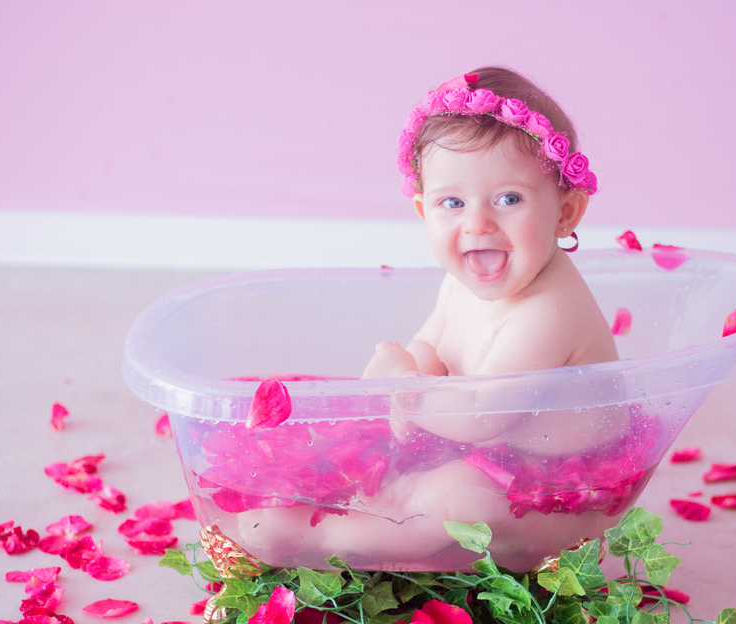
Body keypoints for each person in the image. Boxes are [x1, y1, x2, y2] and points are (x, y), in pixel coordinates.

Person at [219, 68, 645, 571]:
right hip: (491, 453)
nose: (477, 223)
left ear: (566, 212)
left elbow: (478, 417)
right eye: (452, 202)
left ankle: (328, 537)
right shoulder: (462, 282)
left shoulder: (550, 310)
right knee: (410, 477)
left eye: (509, 199)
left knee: (458, 501)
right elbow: (433, 347)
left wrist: (403, 384)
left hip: (561, 488)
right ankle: (376, 507)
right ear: (424, 211)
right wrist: (413, 364)